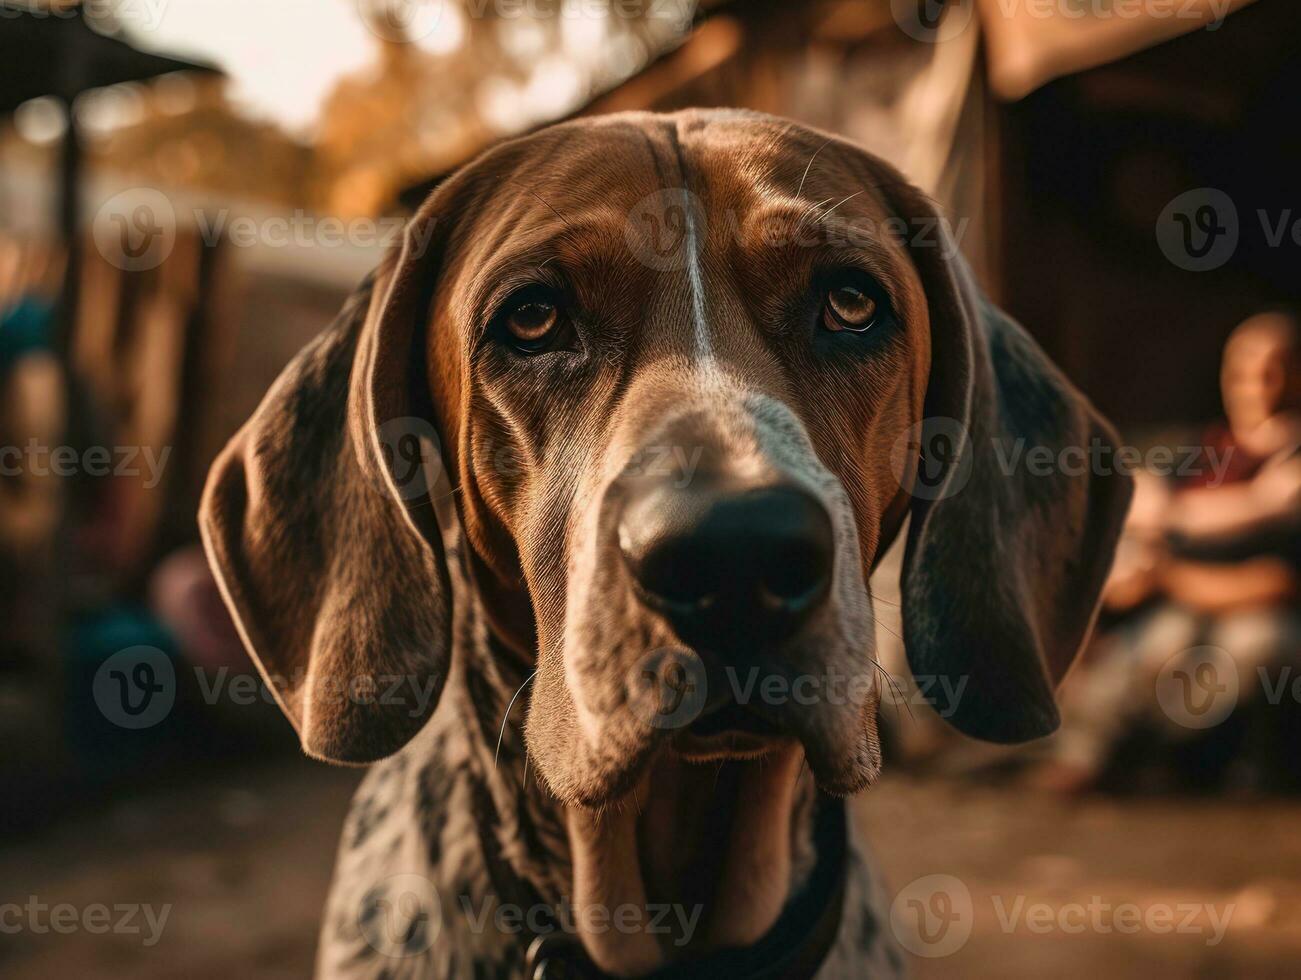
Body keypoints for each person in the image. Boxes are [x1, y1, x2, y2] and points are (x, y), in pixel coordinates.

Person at [1036, 311, 1301, 794]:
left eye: (1273, 371)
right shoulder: (1204, 448)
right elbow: (1134, 497)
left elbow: (1276, 581)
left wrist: (1171, 569)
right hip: (1182, 608)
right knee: (1158, 641)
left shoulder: (1293, 459)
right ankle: (1112, 759)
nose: (1256, 388)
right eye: (1242, 373)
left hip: (1253, 612)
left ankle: (1230, 770)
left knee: (1253, 644)